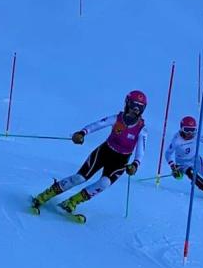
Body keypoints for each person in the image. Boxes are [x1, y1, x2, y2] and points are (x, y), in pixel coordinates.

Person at [30, 90, 149, 220]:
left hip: (121, 161)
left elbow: (140, 151)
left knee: (104, 183)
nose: (135, 110)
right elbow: (98, 124)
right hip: (105, 152)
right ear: (127, 104)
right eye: (133, 105)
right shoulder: (117, 118)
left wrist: (135, 165)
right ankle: (44, 195)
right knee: (80, 178)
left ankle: (72, 202)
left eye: (139, 107)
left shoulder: (142, 130)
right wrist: (82, 133)